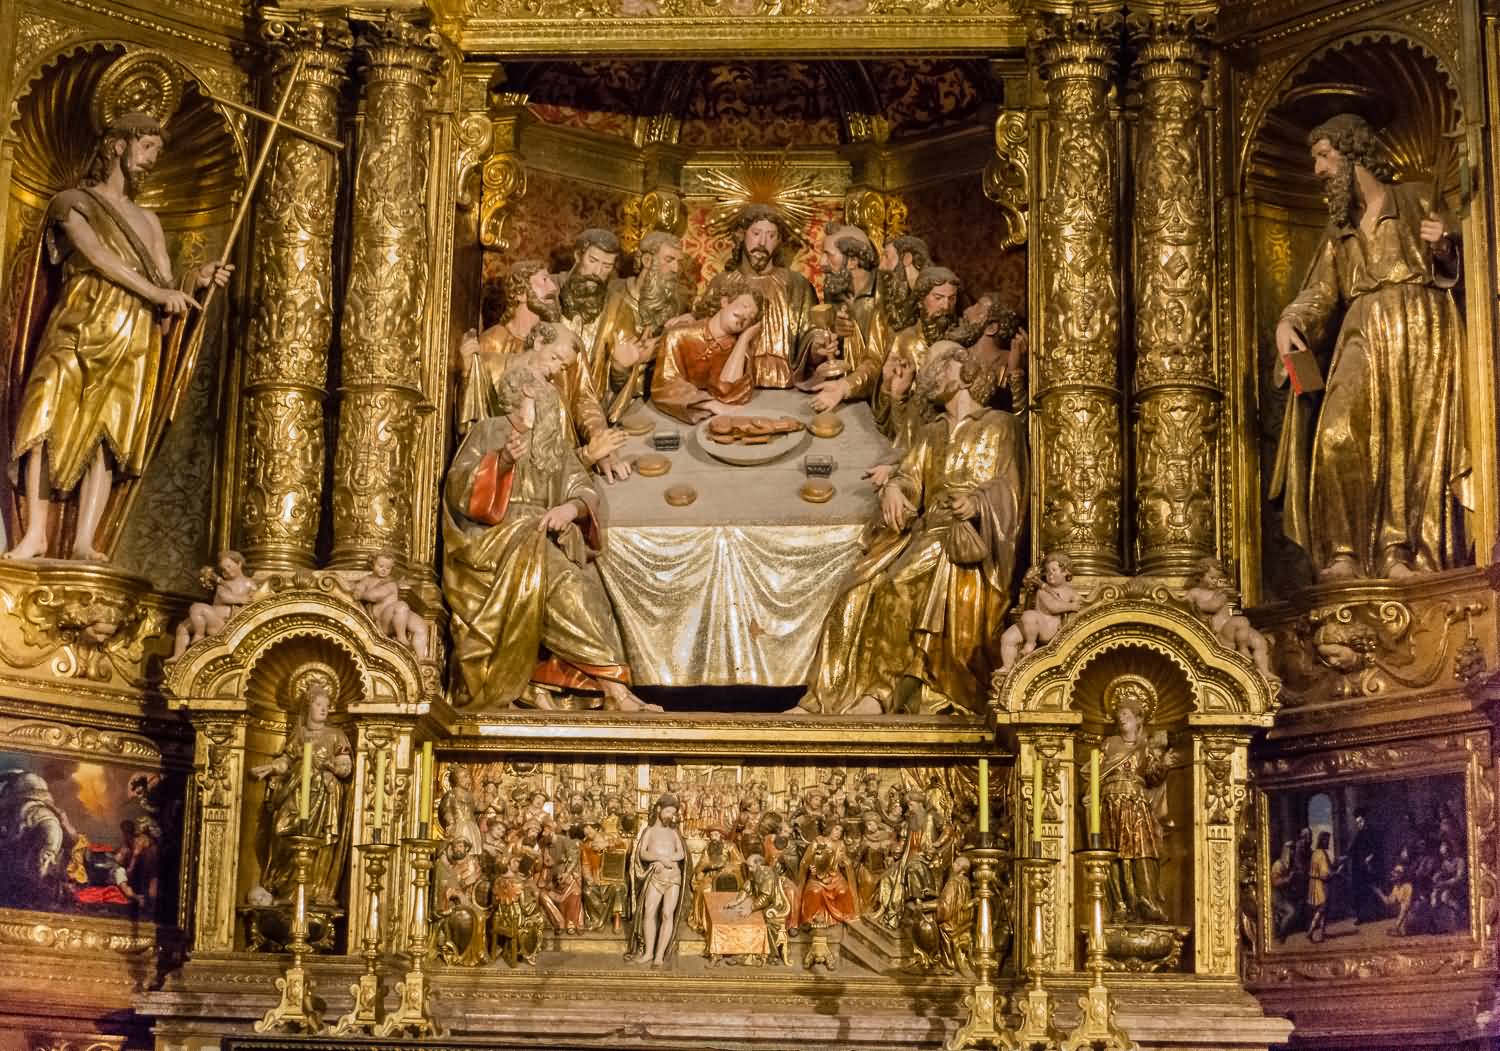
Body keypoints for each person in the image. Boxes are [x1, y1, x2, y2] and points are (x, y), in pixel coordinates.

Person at [7, 112, 233, 561]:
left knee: (108, 434)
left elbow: (165, 278)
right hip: (80, 319)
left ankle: (85, 539)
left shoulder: (148, 220)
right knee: (45, 413)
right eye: (147, 148)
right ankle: (34, 533)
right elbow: (96, 257)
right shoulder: (72, 201)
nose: (151, 160)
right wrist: (156, 291)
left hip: (132, 330)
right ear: (117, 144)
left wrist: (195, 280)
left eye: (157, 152)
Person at [1271, 113, 1471, 582]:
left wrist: (1446, 246)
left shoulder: (1418, 198)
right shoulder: (1338, 231)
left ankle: (1401, 553)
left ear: (1352, 152)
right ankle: (1344, 552)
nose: (1318, 171)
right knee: (1339, 434)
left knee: (1414, 441)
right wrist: (1288, 321)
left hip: (1422, 327)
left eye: (1323, 157)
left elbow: (1468, 258)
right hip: (1363, 329)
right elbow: (1321, 293)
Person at [798, 341, 1027, 715]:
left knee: (898, 585)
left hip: (974, 539)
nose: (930, 372)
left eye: (940, 364)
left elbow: (1011, 487)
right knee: (856, 592)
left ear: (964, 369)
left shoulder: (999, 424)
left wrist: (977, 503)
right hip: (928, 531)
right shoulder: (931, 432)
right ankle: (835, 695)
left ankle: (888, 691)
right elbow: (910, 478)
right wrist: (893, 489)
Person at [441, 338, 654, 713]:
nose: (556, 407)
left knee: (590, 588)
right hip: (495, 538)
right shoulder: (490, 431)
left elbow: (581, 485)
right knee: (564, 584)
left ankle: (582, 685)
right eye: (548, 398)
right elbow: (461, 489)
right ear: (526, 392)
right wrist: (502, 461)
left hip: (541, 535)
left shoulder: (549, 445)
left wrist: (570, 510)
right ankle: (613, 688)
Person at [247, 665, 353, 905]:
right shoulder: (298, 735)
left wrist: (331, 767)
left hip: (323, 797)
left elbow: (346, 767)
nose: (323, 709)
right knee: (281, 832)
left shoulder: (336, 735)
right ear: (308, 706)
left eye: (326, 705)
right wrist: (271, 767)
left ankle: (313, 889)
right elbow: (286, 761)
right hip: (294, 793)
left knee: (317, 841)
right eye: (318, 704)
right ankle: (285, 888)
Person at [1098, 677, 1173, 923]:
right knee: (1115, 854)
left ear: (1139, 719)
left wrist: (1163, 765)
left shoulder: (1145, 746)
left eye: (1127, 715)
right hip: (1111, 804)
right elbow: (1094, 772)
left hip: (1136, 804)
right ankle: (1120, 904)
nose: (1122, 719)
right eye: (1119, 715)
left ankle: (1145, 901)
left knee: (1142, 852)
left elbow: (1152, 777)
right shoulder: (1108, 745)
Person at [721, 204, 817, 388]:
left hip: (785, 385)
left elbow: (810, 335)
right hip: (732, 383)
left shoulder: (797, 285)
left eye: (771, 235)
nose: (762, 243)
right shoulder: (723, 283)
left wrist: (819, 343)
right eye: (756, 233)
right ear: (742, 235)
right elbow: (706, 333)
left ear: (779, 240)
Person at [650, 284, 765, 423]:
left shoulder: (738, 352)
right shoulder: (678, 335)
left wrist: (744, 339)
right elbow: (664, 384)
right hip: (676, 419)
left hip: (721, 420)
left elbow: (729, 395)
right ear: (725, 302)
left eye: (751, 316)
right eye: (745, 306)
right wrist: (709, 404)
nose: (746, 315)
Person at [625, 794, 689, 966]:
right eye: (668, 811)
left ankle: (659, 955)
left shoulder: (674, 833)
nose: (670, 815)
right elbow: (643, 853)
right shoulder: (649, 831)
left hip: (673, 877)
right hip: (655, 877)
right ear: (659, 810)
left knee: (668, 914)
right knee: (649, 913)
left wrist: (668, 860)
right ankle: (648, 953)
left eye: (673, 812)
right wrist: (659, 859)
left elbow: (682, 853)